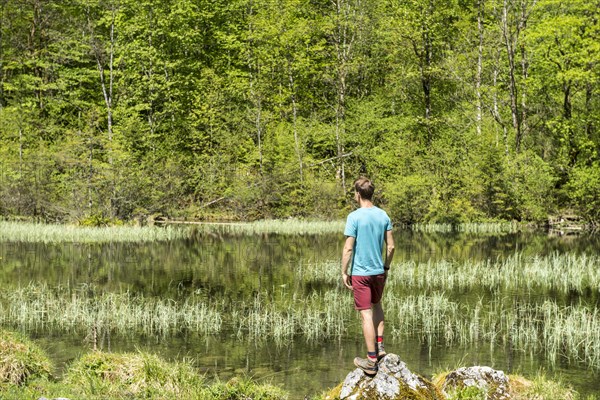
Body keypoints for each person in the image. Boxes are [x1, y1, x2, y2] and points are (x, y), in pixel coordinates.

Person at [341, 177, 395, 376]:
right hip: (379, 272)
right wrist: (386, 267)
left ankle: (371, 360)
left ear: (357, 194)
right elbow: (391, 246)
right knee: (377, 305)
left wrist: (344, 272)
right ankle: (380, 348)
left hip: (361, 274)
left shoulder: (354, 217)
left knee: (366, 314)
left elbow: (348, 248)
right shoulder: (383, 215)